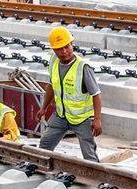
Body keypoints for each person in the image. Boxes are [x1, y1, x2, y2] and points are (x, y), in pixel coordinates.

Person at [36, 26, 102, 162]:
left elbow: (96, 95)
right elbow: (51, 86)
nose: (64, 51)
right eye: (59, 49)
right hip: (61, 116)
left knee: (88, 154)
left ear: (72, 45)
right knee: (44, 146)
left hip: (81, 120)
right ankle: (41, 168)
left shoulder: (83, 68)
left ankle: (95, 179)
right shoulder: (53, 62)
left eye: (67, 47)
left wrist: (97, 119)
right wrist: (44, 108)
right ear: (54, 50)